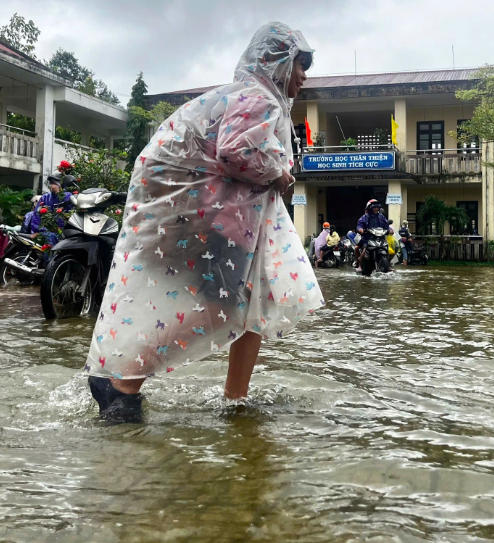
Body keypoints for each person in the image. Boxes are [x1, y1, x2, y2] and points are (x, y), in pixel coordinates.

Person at [83, 22, 325, 422]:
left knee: (250, 298)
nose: (303, 77)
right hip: (199, 214)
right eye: (300, 65)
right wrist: (280, 175)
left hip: (201, 212)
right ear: (277, 61)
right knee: (225, 301)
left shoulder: (247, 95)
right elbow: (234, 152)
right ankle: (124, 383)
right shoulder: (258, 97)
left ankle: (232, 399)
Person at [355, 199, 389, 272]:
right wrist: (361, 229)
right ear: (370, 208)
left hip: (380, 238)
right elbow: (359, 226)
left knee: (387, 247)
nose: (376, 209)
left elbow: (386, 225)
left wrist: (390, 230)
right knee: (362, 249)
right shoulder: (364, 217)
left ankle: (388, 265)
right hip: (367, 238)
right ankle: (360, 265)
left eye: (377, 208)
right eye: (374, 208)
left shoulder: (381, 217)